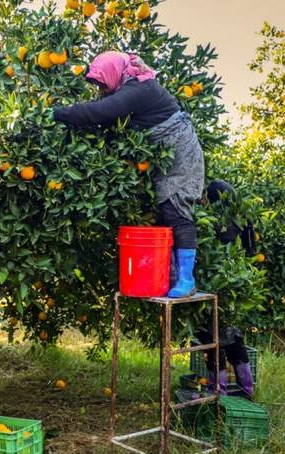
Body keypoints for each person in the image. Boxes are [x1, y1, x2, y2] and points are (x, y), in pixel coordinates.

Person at [52, 51, 205, 298]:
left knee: (176, 209)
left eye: (103, 84)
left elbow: (100, 112)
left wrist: (56, 113)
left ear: (114, 73)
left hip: (180, 153)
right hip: (163, 156)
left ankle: (187, 279)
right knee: (162, 212)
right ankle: (172, 275)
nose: (101, 90)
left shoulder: (139, 89)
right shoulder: (132, 85)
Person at [194, 180, 256, 399]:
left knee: (212, 339)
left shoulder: (216, 223)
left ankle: (217, 390)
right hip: (235, 289)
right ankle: (247, 389)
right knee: (234, 337)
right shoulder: (240, 219)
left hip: (215, 286)